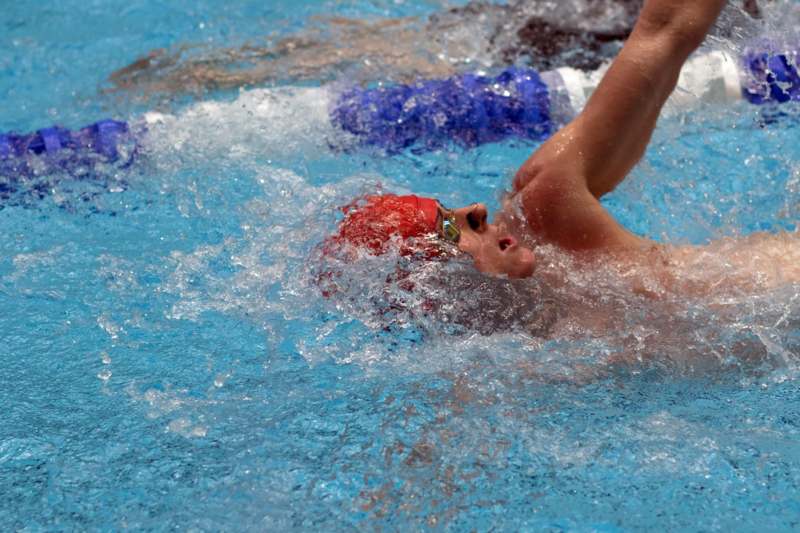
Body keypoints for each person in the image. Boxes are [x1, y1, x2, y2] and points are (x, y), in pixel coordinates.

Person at [327, 0, 799, 308]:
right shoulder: (494, 361)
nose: (476, 209)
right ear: (426, 286)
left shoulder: (545, 207)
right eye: (449, 226)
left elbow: (666, 31)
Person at [107, 0, 764, 98]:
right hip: (571, 30)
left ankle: (207, 71)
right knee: (440, 52)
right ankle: (205, 73)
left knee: (431, 43)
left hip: (559, 23)